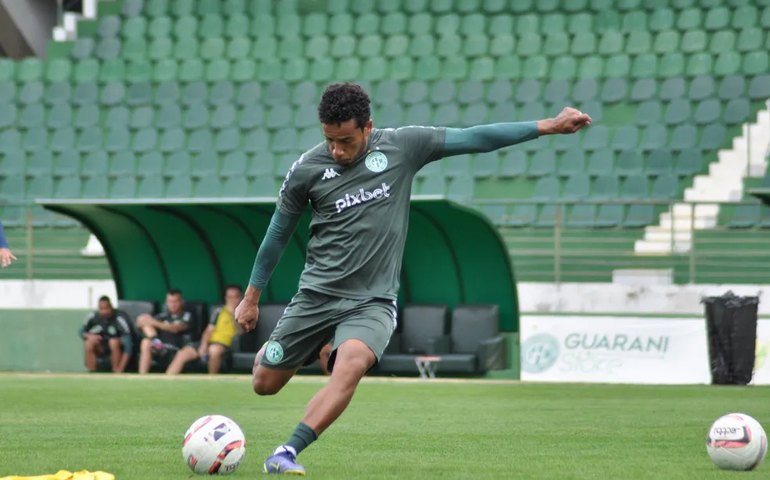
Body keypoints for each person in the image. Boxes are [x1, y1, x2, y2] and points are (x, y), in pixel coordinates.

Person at [235, 82, 592, 475]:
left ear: (368, 127)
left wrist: (548, 125)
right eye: (330, 141)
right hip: (317, 297)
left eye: (346, 141)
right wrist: (251, 298)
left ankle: (287, 452)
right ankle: (322, 338)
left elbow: (475, 138)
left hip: (372, 301)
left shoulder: (403, 147)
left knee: (349, 367)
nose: (337, 150)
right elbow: (276, 234)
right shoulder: (307, 170)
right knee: (264, 383)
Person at [166, 284, 243, 375]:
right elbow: (208, 330)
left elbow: (241, 332)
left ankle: (211, 381)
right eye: (229, 297)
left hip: (225, 344)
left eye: (235, 297)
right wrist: (203, 345)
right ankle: (167, 381)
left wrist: (234, 313)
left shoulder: (245, 312)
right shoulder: (219, 311)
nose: (232, 300)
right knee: (182, 353)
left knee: (214, 350)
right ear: (226, 298)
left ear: (241, 297)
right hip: (210, 341)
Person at [136, 289, 191, 374]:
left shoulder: (187, 315)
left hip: (175, 350)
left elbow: (176, 328)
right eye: (170, 302)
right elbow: (140, 323)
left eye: (175, 301)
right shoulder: (163, 315)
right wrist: (143, 320)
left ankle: (156, 341)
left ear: (181, 301)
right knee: (146, 341)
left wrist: (154, 322)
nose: (173, 305)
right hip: (160, 347)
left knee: (148, 333)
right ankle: (142, 376)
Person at [79, 296, 134, 373]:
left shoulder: (120, 318)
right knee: (89, 342)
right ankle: (92, 371)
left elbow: (128, 345)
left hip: (117, 346)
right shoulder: (93, 316)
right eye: (101, 309)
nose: (104, 312)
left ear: (111, 307)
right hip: (102, 345)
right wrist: (89, 336)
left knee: (113, 342)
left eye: (106, 308)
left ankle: (116, 370)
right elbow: (81, 332)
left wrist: (121, 367)